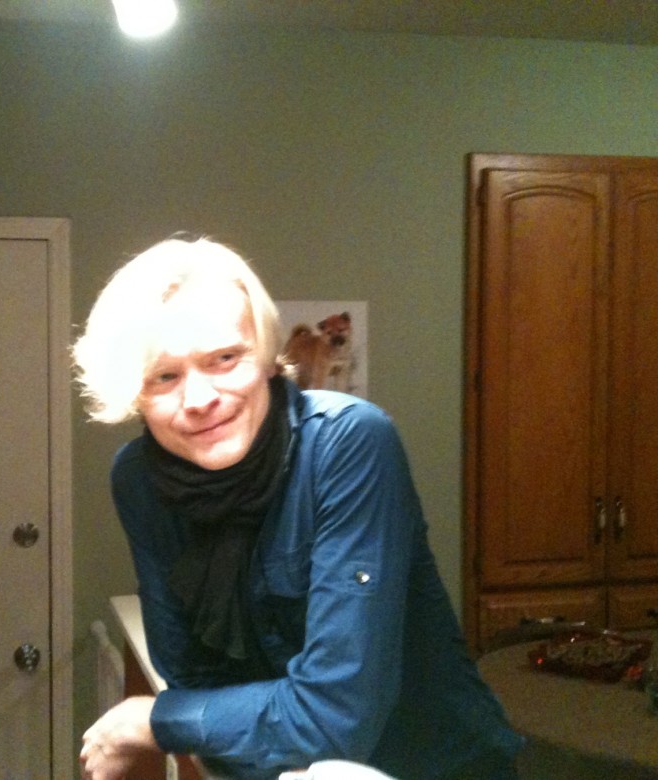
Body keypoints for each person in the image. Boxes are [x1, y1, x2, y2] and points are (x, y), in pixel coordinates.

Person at [73, 234, 523, 780]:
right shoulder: (139, 480)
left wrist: (153, 720)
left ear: (265, 358)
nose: (199, 400)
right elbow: (189, 679)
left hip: (430, 766)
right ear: (134, 391)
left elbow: (336, 717)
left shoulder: (347, 442)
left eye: (224, 359)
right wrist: (200, 720)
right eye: (164, 377)